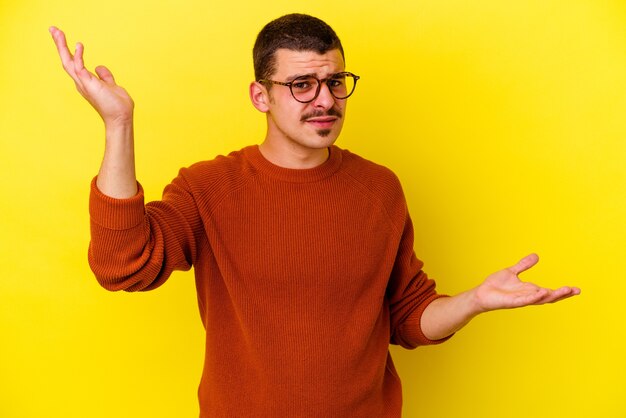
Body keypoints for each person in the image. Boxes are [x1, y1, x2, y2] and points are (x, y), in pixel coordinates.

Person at [49, 13, 580, 418]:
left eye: (335, 82)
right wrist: (119, 124)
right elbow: (122, 265)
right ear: (261, 95)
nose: (324, 100)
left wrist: (476, 301)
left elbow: (407, 317)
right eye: (302, 84)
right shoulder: (209, 187)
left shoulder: (379, 188)